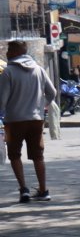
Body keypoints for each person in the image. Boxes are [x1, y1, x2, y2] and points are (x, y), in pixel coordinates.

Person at [0, 41, 56, 203]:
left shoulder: (8, 72)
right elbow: (52, 92)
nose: (7, 52)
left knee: (14, 155)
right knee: (38, 156)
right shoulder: (39, 70)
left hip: (14, 120)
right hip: (36, 120)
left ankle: (24, 189)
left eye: (9, 49)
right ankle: (43, 190)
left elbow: (2, 101)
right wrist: (41, 106)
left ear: (16, 52)